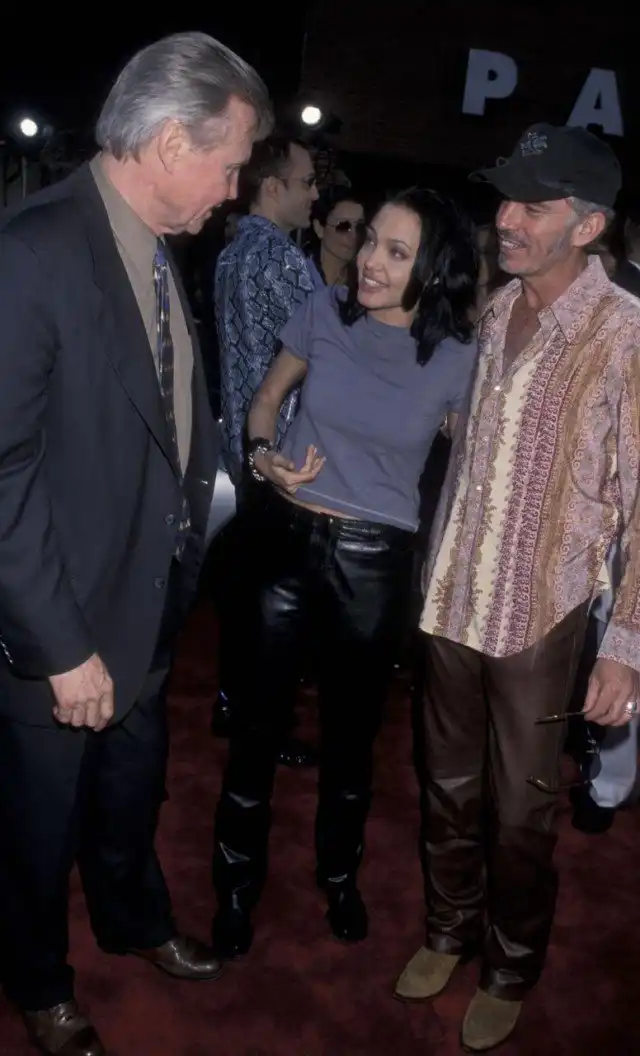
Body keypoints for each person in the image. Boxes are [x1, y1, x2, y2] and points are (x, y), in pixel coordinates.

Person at [0, 31, 271, 1056]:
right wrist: (60, 647)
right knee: (34, 827)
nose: (236, 190)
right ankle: (38, 981)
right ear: (168, 143)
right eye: (230, 164)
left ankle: (134, 919)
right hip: (59, 628)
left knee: (128, 793)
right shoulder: (31, 252)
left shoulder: (155, 250)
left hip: (146, 604)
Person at [395, 124, 640, 1052]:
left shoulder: (625, 334)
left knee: (522, 809)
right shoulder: (499, 307)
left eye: (533, 206)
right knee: (446, 784)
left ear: (589, 226)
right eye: (506, 199)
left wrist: (627, 648)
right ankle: (448, 930)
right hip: (455, 594)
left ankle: (509, 966)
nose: (506, 218)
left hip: (541, 614)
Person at [210, 187, 479, 960]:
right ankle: (235, 888)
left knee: (352, 744)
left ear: (434, 270)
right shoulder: (325, 311)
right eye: (370, 241)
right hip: (285, 543)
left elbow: (473, 466)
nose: (369, 261)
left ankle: (338, 876)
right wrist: (264, 458)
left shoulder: (458, 357)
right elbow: (265, 403)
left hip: (374, 564)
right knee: (255, 732)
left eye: (397, 251)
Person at [212, 133, 320, 766]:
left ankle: (235, 702)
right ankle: (263, 725)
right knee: (276, 606)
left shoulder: (231, 253)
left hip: (247, 447)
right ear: (272, 186)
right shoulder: (280, 258)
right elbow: (327, 349)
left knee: (249, 592)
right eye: (306, 182)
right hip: (282, 456)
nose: (315, 193)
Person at [306, 185, 366, 288]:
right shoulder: (297, 276)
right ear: (319, 228)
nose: (354, 235)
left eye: (359, 226)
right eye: (343, 226)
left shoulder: (364, 280)